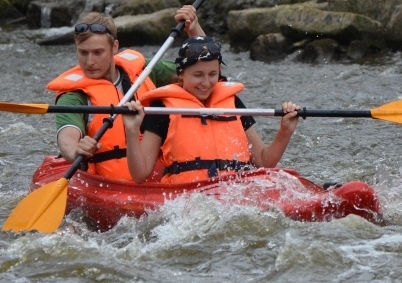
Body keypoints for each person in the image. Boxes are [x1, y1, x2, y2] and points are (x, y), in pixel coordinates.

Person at [48, 6, 205, 181]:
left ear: (114, 47)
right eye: (83, 53)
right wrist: (75, 151)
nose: (90, 61)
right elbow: (67, 136)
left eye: (98, 52)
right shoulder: (74, 94)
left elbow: (204, 71)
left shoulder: (144, 69)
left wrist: (194, 31)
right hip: (112, 183)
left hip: (163, 176)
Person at [123, 36, 301, 184]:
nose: (206, 83)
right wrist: (131, 131)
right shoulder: (162, 108)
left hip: (235, 193)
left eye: (212, 74)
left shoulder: (232, 103)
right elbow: (140, 174)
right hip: (187, 198)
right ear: (181, 75)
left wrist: (285, 131)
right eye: (198, 75)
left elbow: (263, 161)